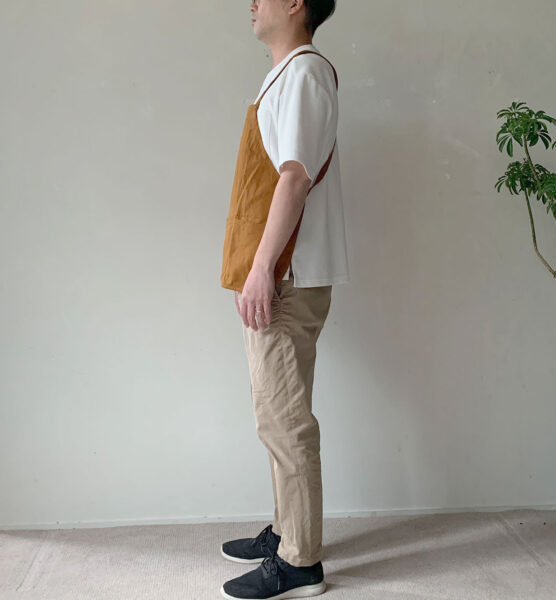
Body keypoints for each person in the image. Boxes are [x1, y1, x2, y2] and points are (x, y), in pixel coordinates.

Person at [219, 1, 349, 598]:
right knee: (278, 414)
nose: (251, 3)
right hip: (283, 270)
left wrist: (263, 268)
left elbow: (294, 177)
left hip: (286, 273)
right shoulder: (288, 73)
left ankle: (299, 563)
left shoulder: (304, 71)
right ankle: (287, 531)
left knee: (285, 419)